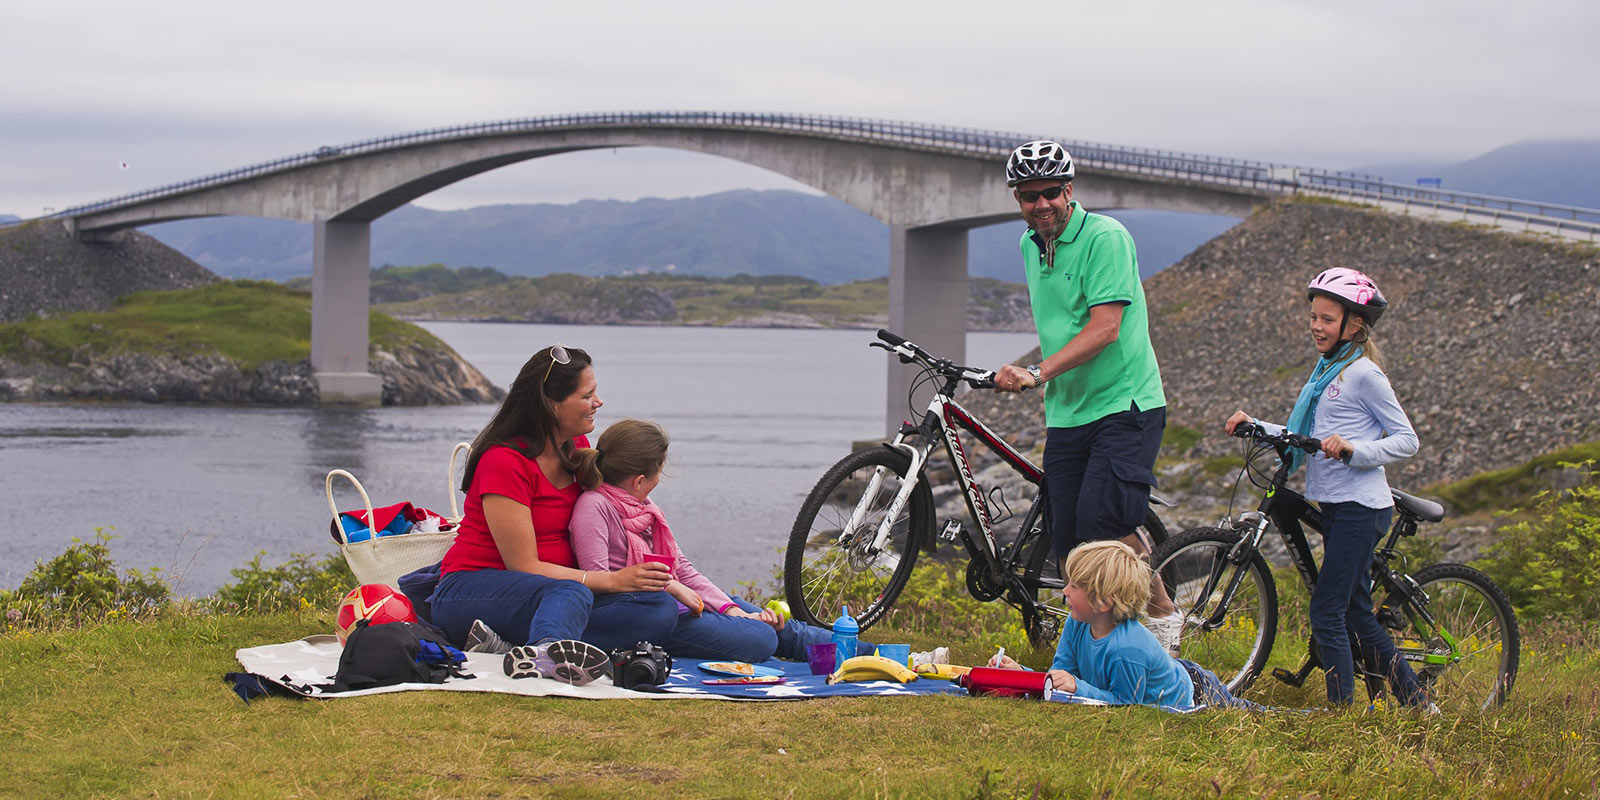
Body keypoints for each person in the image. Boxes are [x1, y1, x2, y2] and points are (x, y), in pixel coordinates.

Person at [991, 140, 1182, 651]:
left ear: (1068, 190)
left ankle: (1163, 620)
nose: (1041, 204)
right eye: (1029, 196)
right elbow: (1062, 325)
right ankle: (1102, 643)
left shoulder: (1106, 238)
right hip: (1069, 409)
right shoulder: (1030, 245)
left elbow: (1104, 328)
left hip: (1126, 403)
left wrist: (1036, 371)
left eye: (1050, 192)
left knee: (1107, 523)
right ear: (1018, 200)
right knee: (1070, 536)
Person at [1224, 267, 1431, 708]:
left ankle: (1340, 712)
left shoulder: (1363, 374)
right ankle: (1417, 702)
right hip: (1337, 505)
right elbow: (1307, 437)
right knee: (1354, 610)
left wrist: (1355, 448)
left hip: (1361, 505)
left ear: (1354, 324)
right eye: (1313, 317)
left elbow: (1407, 440)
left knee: (1328, 610)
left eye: (1327, 319)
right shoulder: (1325, 372)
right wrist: (1256, 425)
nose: (1316, 326)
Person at [427, 344, 678, 685]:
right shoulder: (505, 461)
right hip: (471, 592)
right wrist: (611, 581)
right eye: (587, 395)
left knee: (658, 608)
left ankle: (515, 646)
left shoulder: (577, 451)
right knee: (569, 593)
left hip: (554, 599)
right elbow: (524, 567)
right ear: (552, 404)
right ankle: (546, 654)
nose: (598, 402)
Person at [569, 419, 868, 663]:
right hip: (652, 618)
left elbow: (682, 568)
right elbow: (602, 585)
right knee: (762, 637)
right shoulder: (594, 508)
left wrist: (729, 610)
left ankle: (873, 655)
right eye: (659, 472)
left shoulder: (645, 509)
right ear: (638, 481)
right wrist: (671, 588)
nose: (659, 479)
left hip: (683, 605)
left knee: (775, 624)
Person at [991, 540, 1256, 710]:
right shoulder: (1077, 621)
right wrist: (1021, 675)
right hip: (1172, 673)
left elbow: (1126, 706)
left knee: (1251, 713)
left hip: (1197, 693)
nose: (1065, 591)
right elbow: (1060, 676)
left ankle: (1298, 717)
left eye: (1075, 586)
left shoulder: (1127, 650)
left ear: (1103, 602)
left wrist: (1077, 686)